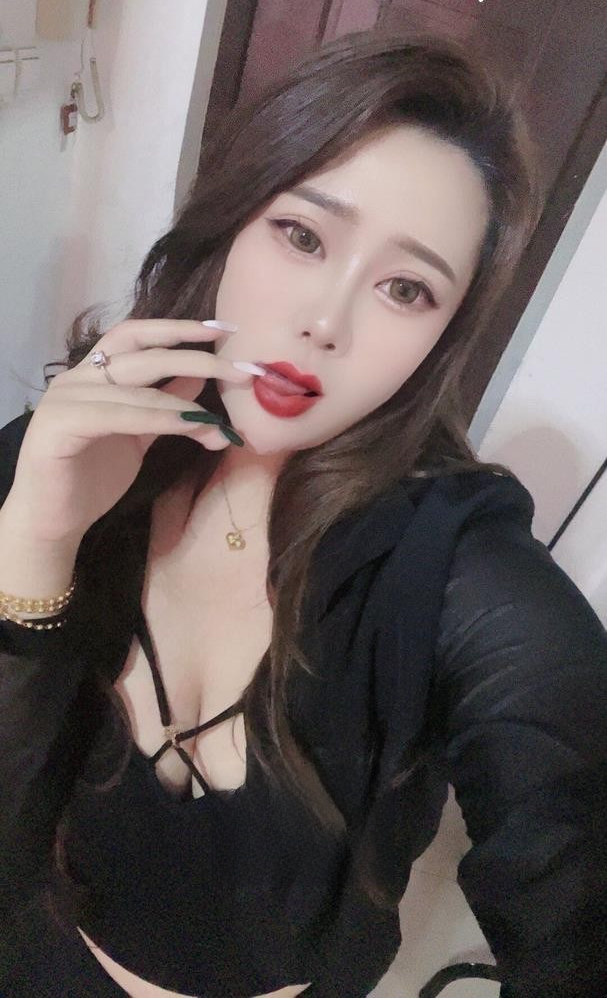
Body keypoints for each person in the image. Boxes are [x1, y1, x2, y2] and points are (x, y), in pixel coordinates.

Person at [1, 28, 606, 998]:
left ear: (441, 339)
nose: (326, 320)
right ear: (232, 221)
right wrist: (39, 541)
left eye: (405, 288)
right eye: (302, 235)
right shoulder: (72, 445)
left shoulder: (455, 569)